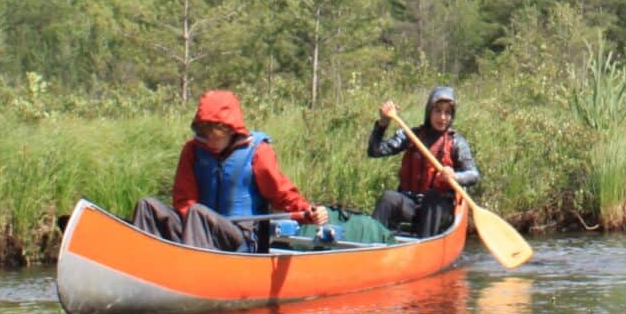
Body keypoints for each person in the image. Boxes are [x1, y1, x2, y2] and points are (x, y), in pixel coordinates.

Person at [131, 89, 328, 251]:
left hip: (239, 237)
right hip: (196, 230)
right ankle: (139, 267)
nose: (209, 141)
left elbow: (281, 193)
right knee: (147, 206)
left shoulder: (258, 152)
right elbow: (184, 201)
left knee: (198, 213)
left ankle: (195, 277)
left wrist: (307, 212)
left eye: (215, 135)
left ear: (231, 130)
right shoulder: (192, 150)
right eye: (204, 134)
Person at [366, 84, 480, 237]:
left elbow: (473, 174)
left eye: (447, 112)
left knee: (432, 197)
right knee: (389, 198)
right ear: (429, 111)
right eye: (438, 111)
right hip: (410, 204)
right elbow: (375, 150)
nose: (442, 117)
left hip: (439, 209)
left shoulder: (457, 143)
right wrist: (382, 124)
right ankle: (370, 241)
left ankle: (425, 248)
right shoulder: (411, 135)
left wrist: (455, 176)